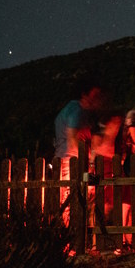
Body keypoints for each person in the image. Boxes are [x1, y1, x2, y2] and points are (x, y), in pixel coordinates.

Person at [53, 78, 105, 225]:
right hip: (70, 161)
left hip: (66, 159)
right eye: (94, 95)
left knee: (71, 199)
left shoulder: (74, 109)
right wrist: (88, 160)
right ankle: (67, 237)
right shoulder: (77, 110)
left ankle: (70, 236)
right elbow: (72, 139)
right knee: (70, 199)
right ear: (85, 95)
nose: (97, 99)